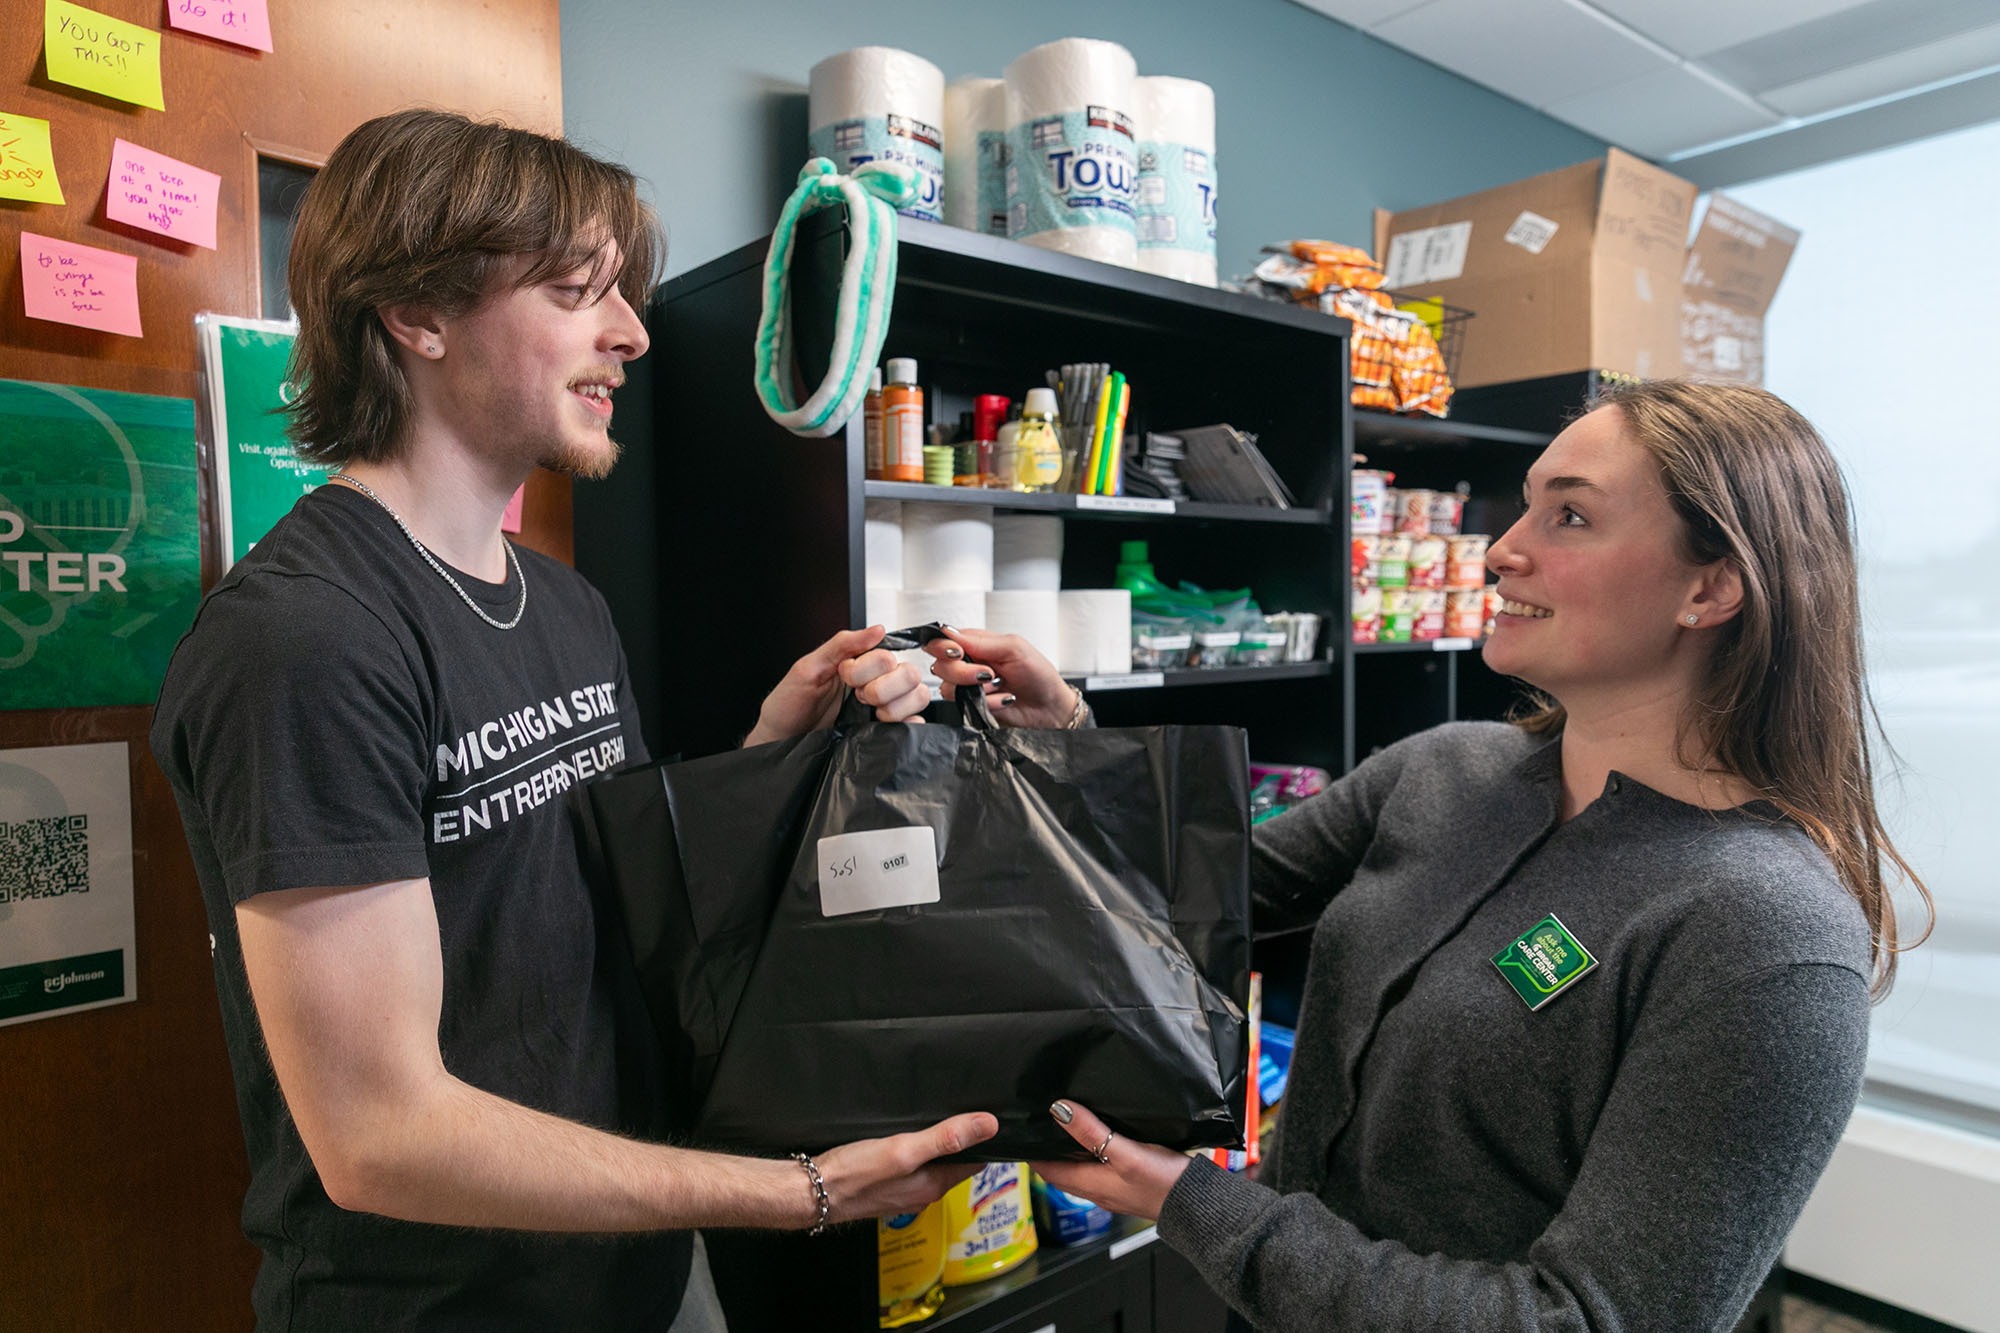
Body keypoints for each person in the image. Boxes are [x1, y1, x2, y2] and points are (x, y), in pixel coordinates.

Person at [151, 109, 993, 1331]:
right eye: (573, 291)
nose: (632, 333)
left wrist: (773, 747)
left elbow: (600, 903)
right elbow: (379, 1134)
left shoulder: (560, 602)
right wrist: (797, 1192)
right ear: (418, 313)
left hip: (636, 1267)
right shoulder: (304, 640)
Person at [925, 380, 1930, 1332]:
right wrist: (1065, 738)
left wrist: (1199, 1205)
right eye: (1526, 506)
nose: (1502, 549)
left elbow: (1585, 1318)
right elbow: (1188, 896)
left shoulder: (1766, 933)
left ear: (1709, 587)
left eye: (1569, 516)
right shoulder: (1449, 768)